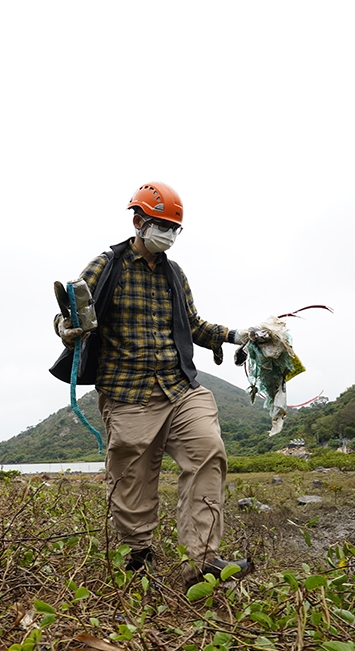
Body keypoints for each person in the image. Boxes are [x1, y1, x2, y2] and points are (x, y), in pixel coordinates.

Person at [50, 181, 253, 585]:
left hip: (179, 387)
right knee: (133, 479)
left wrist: (236, 335)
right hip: (128, 393)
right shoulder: (107, 264)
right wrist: (66, 328)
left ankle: (204, 560)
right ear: (139, 221)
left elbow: (193, 325)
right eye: (161, 225)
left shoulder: (175, 274)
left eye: (174, 228)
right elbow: (71, 310)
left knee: (208, 451)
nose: (169, 235)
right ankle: (138, 554)